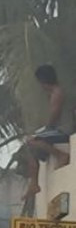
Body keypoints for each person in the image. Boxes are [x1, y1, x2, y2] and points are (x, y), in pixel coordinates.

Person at [21, 64, 72, 202]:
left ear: (43, 81)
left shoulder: (57, 93)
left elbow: (54, 117)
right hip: (58, 130)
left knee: (31, 141)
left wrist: (44, 131)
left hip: (64, 130)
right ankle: (34, 183)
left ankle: (60, 155)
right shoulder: (54, 93)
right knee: (33, 146)